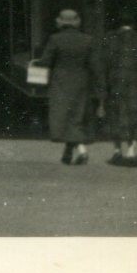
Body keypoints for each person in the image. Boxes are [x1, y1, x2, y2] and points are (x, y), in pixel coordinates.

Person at [35, 8, 101, 165]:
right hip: (81, 82)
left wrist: (36, 62)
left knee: (64, 116)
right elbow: (94, 65)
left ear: (60, 22)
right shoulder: (88, 40)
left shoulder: (55, 39)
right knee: (77, 116)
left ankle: (82, 150)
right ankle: (68, 151)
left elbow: (46, 61)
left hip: (61, 83)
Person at [99, 13, 137, 165]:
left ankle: (117, 150)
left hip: (116, 83)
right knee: (134, 116)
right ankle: (131, 150)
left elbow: (103, 62)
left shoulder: (110, 39)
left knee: (115, 116)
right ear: (133, 25)